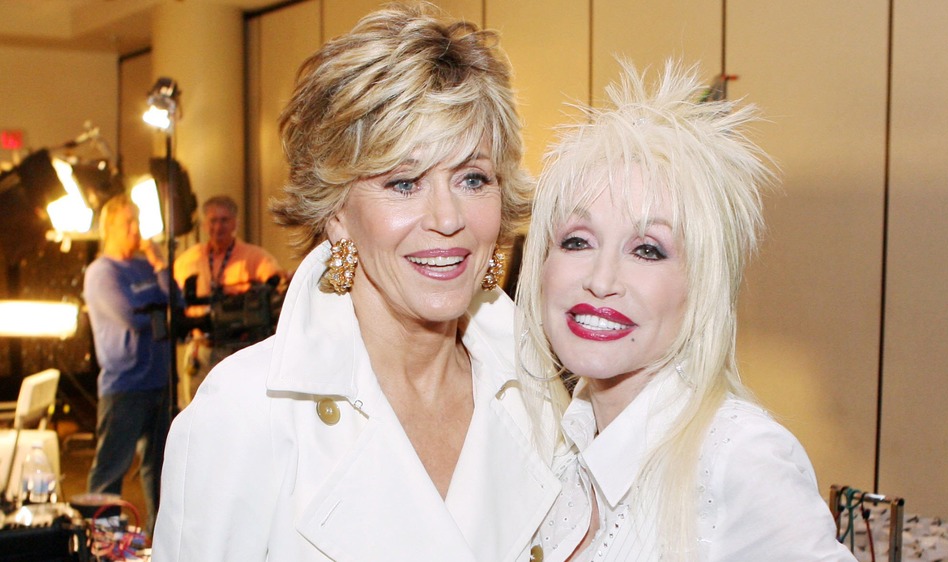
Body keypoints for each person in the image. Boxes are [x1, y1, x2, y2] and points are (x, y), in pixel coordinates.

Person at [154, 4, 559, 561]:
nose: (447, 218)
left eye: (472, 177)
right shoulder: (244, 414)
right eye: (403, 182)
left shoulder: (540, 393)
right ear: (337, 212)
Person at [516, 61, 856, 561]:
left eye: (648, 250)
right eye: (577, 240)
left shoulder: (737, 459)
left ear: (702, 286)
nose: (601, 279)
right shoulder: (562, 452)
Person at [83, 193, 173, 532]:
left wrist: (162, 266)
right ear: (110, 228)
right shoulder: (101, 272)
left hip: (158, 381)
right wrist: (156, 303)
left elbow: (174, 303)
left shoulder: (144, 264)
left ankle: (160, 539)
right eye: (128, 223)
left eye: (138, 222)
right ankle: (102, 541)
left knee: (159, 468)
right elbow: (130, 315)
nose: (136, 230)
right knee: (112, 468)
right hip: (125, 386)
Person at [172, 195, 285, 408]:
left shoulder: (255, 257)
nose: (218, 227)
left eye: (224, 220)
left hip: (237, 350)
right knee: (196, 414)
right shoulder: (188, 260)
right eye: (213, 221)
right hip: (200, 350)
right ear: (205, 224)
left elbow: (275, 283)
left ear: (235, 223)